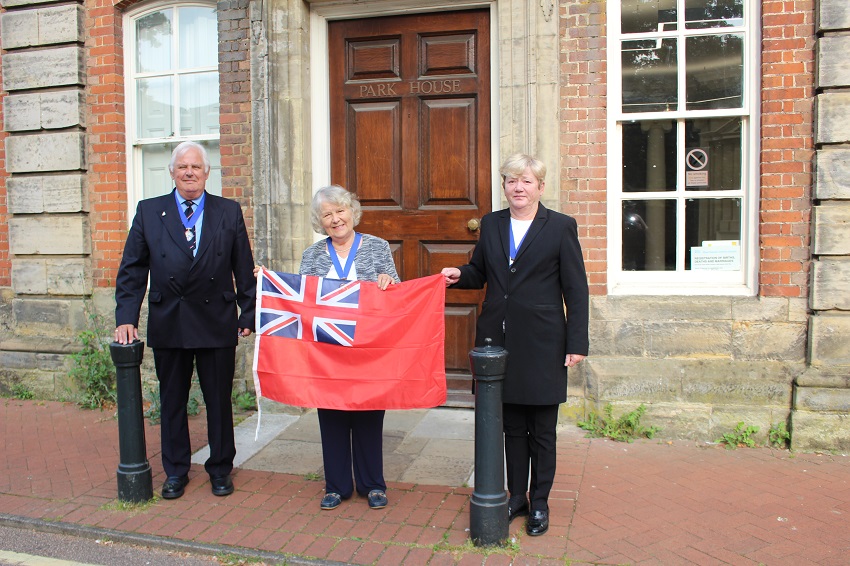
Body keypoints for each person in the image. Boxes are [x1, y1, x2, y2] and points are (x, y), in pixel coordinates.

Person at [440, 153, 589, 536]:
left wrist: (577, 342)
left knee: (541, 428)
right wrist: (461, 273)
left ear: (540, 186)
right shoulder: (491, 224)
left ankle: (540, 503)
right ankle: (517, 497)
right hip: (498, 340)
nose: (518, 188)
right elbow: (481, 271)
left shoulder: (559, 227)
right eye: (510, 180)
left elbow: (576, 288)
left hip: (543, 343)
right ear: (504, 186)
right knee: (511, 427)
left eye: (526, 181)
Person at [114, 141, 256, 500]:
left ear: (207, 173)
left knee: (218, 401)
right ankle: (176, 471)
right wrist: (126, 316)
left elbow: (243, 266)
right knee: (172, 400)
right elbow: (132, 269)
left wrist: (248, 311)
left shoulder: (228, 211)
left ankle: (221, 468)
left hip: (216, 319)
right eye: (182, 167)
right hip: (169, 319)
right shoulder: (149, 211)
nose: (189, 172)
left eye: (196, 166)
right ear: (172, 173)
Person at [280, 185, 400, 511]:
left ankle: (372, 484)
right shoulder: (312, 255)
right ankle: (336, 485)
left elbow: (396, 295)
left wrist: (387, 285)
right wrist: (268, 282)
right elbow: (300, 300)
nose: (336, 220)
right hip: (327, 353)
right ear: (320, 222)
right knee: (331, 414)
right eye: (327, 215)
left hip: (367, 350)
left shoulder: (377, 247)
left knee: (368, 416)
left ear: (352, 211)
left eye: (340, 211)